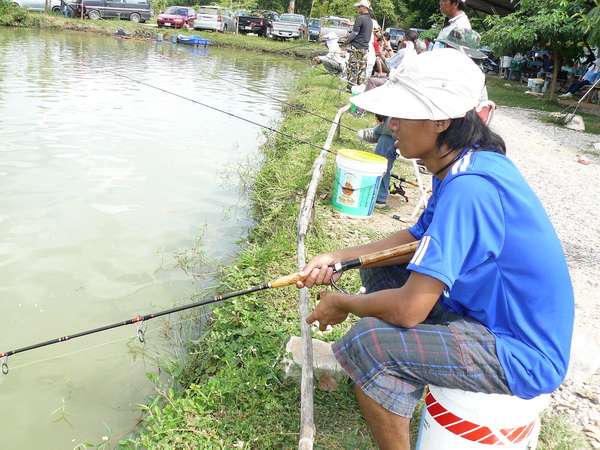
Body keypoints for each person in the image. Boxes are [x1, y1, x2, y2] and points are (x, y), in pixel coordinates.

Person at [297, 49, 574, 450]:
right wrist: (340, 257)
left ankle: (391, 375)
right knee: (376, 269)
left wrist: (341, 304)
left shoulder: (470, 188)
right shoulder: (465, 166)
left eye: (400, 114)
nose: (390, 125)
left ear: (441, 121)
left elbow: (410, 309)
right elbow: (415, 239)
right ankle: (404, 375)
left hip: (519, 351)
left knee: (369, 342)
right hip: (484, 317)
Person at [344, 0, 373, 91]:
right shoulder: (370, 20)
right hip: (365, 48)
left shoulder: (360, 18)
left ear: (364, 8)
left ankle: (351, 87)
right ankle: (360, 87)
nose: (358, 9)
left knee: (353, 68)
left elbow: (355, 33)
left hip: (356, 47)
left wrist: (348, 41)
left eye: (359, 7)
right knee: (362, 68)